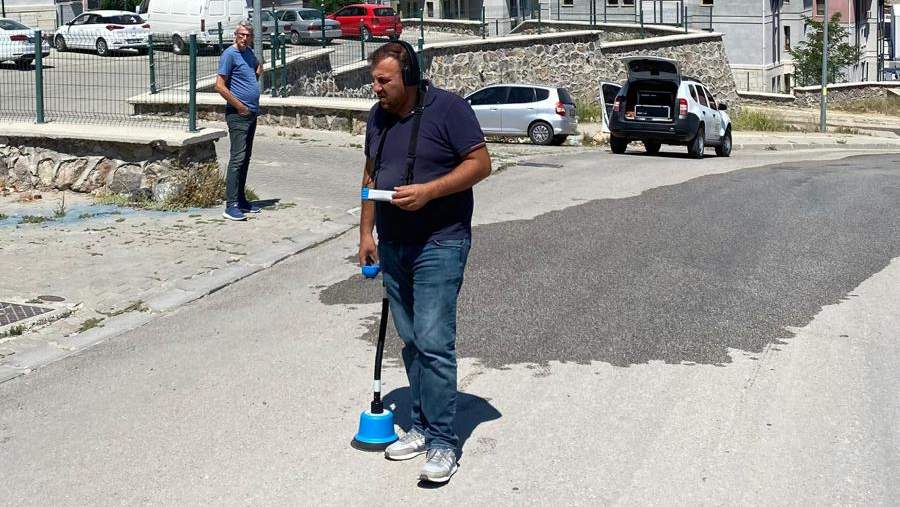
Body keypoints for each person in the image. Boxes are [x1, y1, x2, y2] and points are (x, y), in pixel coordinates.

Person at [357, 42, 492, 483]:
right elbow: (370, 176)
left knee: (434, 341)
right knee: (412, 340)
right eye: (374, 79)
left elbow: (481, 163)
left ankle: (443, 441)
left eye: (384, 80)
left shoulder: (450, 109)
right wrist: (365, 234)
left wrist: (430, 191)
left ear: (409, 77)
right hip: (395, 243)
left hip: (441, 242)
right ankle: (419, 425)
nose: (375, 88)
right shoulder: (377, 117)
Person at [215, 20, 263, 221]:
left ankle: (241, 200)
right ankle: (231, 204)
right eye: (241, 35)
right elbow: (219, 85)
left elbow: (258, 67)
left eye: (248, 35)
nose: (244, 38)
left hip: (251, 113)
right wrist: (240, 105)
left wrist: (255, 77)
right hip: (238, 115)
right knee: (237, 158)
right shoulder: (229, 55)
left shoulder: (248, 53)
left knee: (245, 158)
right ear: (235, 35)